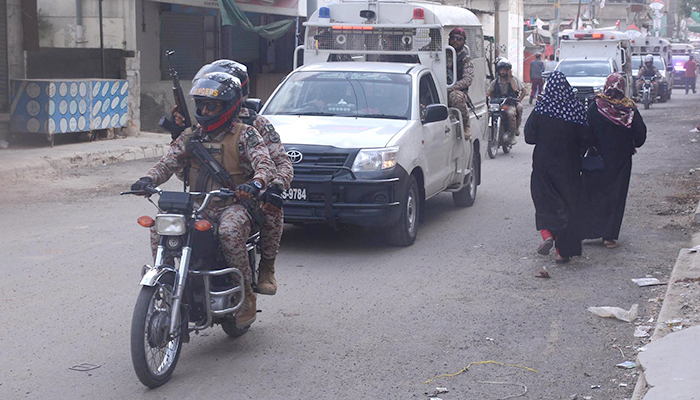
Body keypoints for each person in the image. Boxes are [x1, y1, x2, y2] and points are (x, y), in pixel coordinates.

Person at [131, 72, 276, 327]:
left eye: (212, 105)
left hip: (232, 205)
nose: (205, 110)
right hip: (199, 205)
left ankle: (246, 296)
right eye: (201, 105)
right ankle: (166, 281)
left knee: (230, 232)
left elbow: (265, 165)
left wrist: (255, 183)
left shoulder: (246, 134)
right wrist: (148, 180)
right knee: (160, 227)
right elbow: (168, 162)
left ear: (228, 106)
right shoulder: (191, 136)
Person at [185, 60, 294, 296]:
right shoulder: (202, 123)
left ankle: (266, 266)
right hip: (208, 195)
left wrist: (274, 186)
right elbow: (179, 163)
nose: (205, 108)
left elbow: (281, 162)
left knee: (271, 205)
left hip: (249, 194)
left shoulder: (256, 125)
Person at [525, 71, 591, 263]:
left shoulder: (542, 108)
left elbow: (529, 137)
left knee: (544, 199)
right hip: (569, 165)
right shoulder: (577, 109)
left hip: (544, 164)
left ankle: (547, 235)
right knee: (568, 204)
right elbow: (587, 138)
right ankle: (564, 251)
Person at [581, 73, 647, 249]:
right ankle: (609, 237)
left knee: (595, 194)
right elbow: (640, 136)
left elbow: (585, 133)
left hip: (598, 160)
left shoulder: (596, 107)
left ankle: (590, 231)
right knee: (616, 196)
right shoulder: (629, 109)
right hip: (622, 161)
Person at [486, 58, 526, 145]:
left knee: (512, 113)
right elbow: (489, 92)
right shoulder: (495, 82)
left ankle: (513, 133)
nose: (503, 72)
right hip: (498, 104)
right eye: (501, 70)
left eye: (505, 70)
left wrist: (511, 78)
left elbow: (517, 90)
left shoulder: (513, 80)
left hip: (510, 103)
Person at [446, 27, 475, 139]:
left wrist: (450, 87)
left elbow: (467, 80)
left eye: (459, 39)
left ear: (464, 42)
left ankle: (465, 125)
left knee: (456, 97)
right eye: (453, 38)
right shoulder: (441, 53)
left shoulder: (466, 59)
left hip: (455, 90)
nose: (455, 41)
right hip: (438, 88)